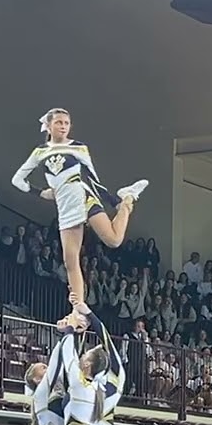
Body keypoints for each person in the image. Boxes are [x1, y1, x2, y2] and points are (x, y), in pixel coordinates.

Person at [10, 108, 148, 307]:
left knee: (114, 240)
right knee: (70, 260)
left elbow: (93, 179)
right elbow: (17, 180)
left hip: (82, 195)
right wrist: (40, 192)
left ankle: (127, 198)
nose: (63, 126)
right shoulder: (40, 151)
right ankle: (79, 308)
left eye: (66, 123)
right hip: (64, 205)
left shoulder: (79, 147)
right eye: (58, 122)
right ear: (48, 126)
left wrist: (114, 202)